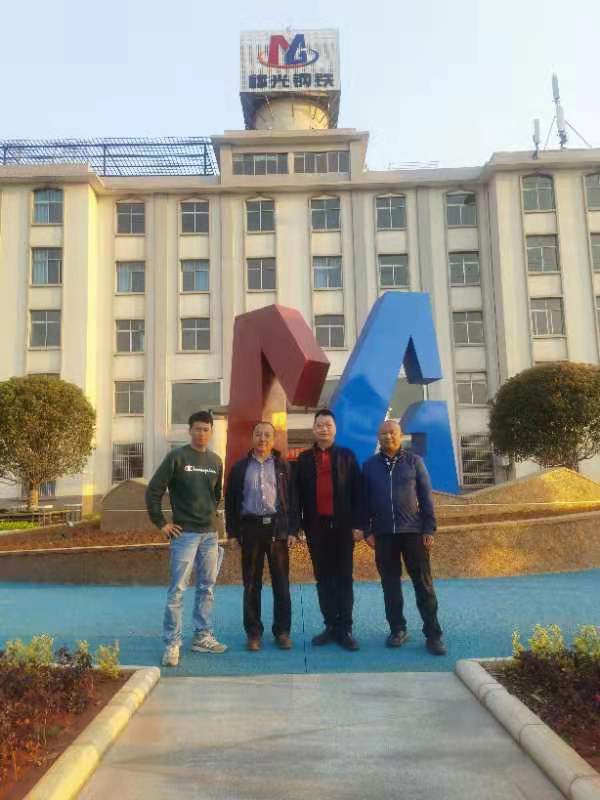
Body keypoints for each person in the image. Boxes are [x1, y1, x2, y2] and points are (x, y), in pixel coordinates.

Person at [146, 410, 227, 667]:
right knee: (178, 590)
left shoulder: (216, 461)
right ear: (189, 430)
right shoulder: (177, 457)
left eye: (206, 429)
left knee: (207, 587)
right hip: (185, 536)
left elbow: (216, 495)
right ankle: (172, 643)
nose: (201, 433)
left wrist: (210, 519)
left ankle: (202, 636)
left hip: (210, 535)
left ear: (211, 432)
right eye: (197, 429)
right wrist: (162, 523)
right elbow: (153, 491)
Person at [361, 419, 446, 655]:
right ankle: (397, 629)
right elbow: (363, 501)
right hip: (383, 535)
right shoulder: (369, 466)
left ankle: (433, 634)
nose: (388, 437)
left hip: (413, 533)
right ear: (378, 437)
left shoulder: (414, 462)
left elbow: (426, 497)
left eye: (392, 433)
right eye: (383, 433)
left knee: (423, 585)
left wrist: (429, 529)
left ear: (400, 435)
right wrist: (368, 530)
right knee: (390, 586)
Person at [291, 409, 363, 651]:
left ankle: (346, 628)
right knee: (323, 579)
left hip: (343, 528)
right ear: (313, 429)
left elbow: (358, 492)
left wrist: (359, 525)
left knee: (344, 578)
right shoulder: (303, 459)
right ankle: (331, 626)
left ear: (335, 428)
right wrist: (297, 526)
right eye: (319, 425)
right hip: (316, 528)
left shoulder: (347, 456)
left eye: (328, 425)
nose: (324, 429)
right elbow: (296, 496)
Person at [225, 421, 295, 651]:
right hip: (250, 529)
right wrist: (232, 533)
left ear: (273, 439)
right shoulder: (240, 468)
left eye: (267, 435)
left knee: (281, 583)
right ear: (252, 437)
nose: (262, 439)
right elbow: (231, 502)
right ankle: (253, 633)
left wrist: (293, 530)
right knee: (251, 584)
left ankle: (282, 632)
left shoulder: (283, 466)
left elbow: (293, 499)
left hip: (277, 529)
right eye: (258, 434)